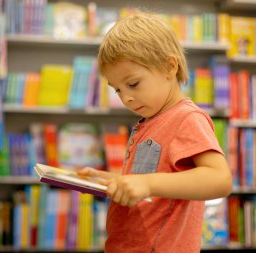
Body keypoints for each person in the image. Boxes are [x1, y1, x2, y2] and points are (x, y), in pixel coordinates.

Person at [77, 12, 232, 253]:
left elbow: (219, 179)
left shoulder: (186, 118)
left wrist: (147, 184)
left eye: (133, 84)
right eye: (117, 89)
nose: (126, 97)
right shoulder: (149, 121)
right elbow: (149, 179)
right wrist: (112, 182)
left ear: (169, 67)